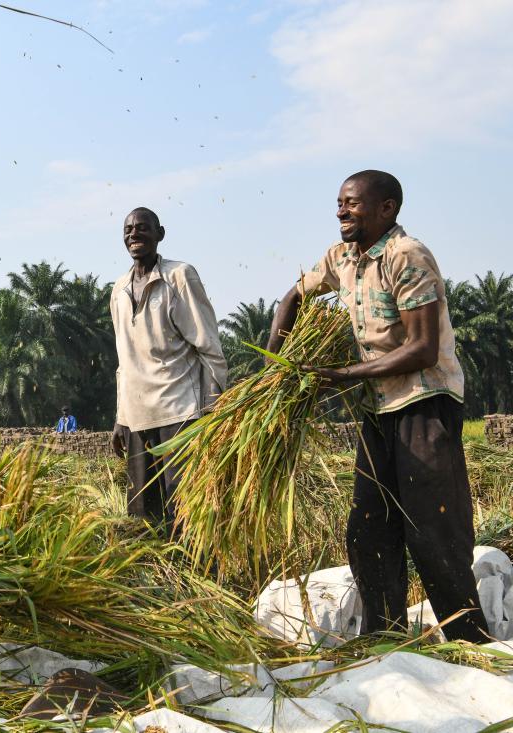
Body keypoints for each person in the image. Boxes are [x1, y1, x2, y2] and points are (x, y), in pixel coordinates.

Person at [266, 170, 489, 642]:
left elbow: (424, 348)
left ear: (387, 209)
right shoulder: (341, 256)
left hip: (423, 403)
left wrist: (342, 377)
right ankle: (383, 636)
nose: (342, 211)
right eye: (340, 203)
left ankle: (469, 640)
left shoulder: (406, 256)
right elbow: (294, 295)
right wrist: (276, 363)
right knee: (369, 527)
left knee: (433, 527)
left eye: (352, 203)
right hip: (377, 408)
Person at [110, 207, 227, 535]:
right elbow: (125, 360)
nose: (135, 234)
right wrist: (121, 417)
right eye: (129, 229)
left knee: (185, 512)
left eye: (143, 228)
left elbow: (209, 346)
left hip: (180, 413)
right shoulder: (119, 289)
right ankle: (157, 583)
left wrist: (214, 411)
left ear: (160, 234)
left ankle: (198, 578)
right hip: (137, 417)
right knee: (143, 515)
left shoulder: (179, 276)